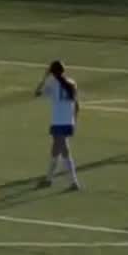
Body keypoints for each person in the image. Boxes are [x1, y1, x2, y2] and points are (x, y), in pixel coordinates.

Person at [35, 60, 83, 190]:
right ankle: (48, 179)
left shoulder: (52, 83)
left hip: (58, 122)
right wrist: (74, 121)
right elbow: (77, 105)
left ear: (52, 71)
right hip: (68, 122)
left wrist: (45, 76)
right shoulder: (72, 83)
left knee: (64, 151)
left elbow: (37, 92)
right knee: (55, 149)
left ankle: (74, 182)